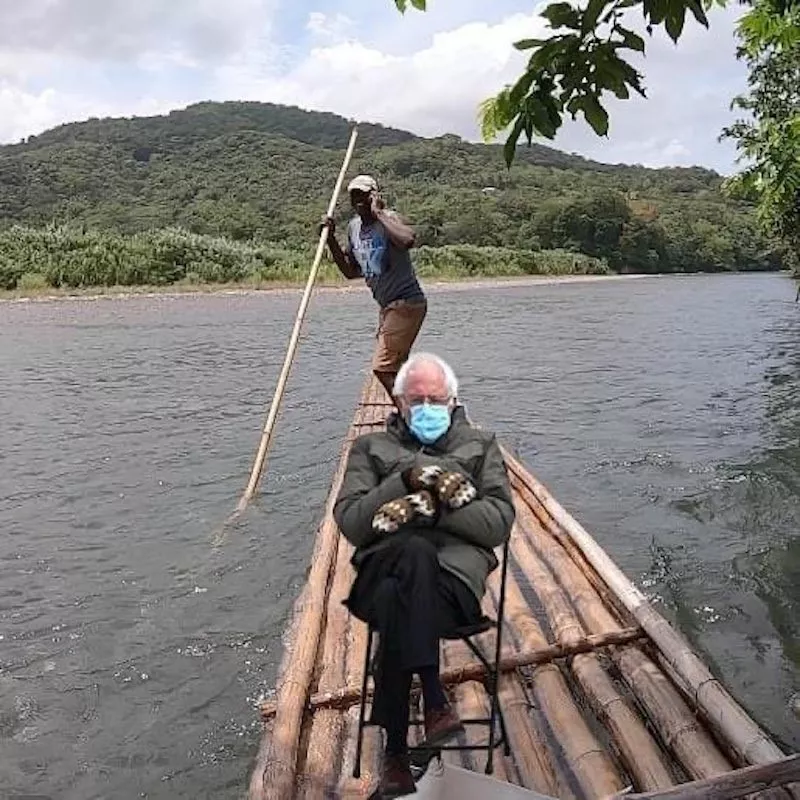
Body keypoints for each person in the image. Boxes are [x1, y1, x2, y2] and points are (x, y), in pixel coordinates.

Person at [333, 352, 515, 797]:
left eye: (436, 398)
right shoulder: (370, 450)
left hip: (451, 591)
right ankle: (433, 699)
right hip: (379, 578)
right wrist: (407, 479)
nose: (428, 407)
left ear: (453, 400)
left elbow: (497, 522)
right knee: (405, 562)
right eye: (417, 400)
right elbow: (353, 522)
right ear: (398, 404)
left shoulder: (481, 445)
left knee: (404, 574)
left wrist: (426, 512)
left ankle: (396, 753)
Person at [322, 174, 427, 400]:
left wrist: (378, 213)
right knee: (395, 366)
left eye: (363, 195)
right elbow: (351, 272)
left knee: (383, 367)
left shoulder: (389, 219)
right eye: (354, 196)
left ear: (374, 196)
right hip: (387, 306)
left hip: (406, 302)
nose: (358, 200)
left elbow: (408, 240)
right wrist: (330, 238)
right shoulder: (354, 228)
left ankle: (411, 420)